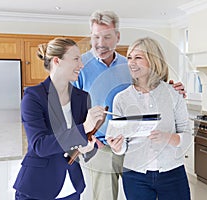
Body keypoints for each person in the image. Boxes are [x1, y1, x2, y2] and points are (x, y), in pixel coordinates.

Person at [72, 10, 186, 200]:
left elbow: (153, 88)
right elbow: (69, 110)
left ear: (117, 37)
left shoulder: (129, 64)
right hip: (101, 146)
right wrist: (88, 139)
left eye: (107, 36)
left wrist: (174, 87)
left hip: (135, 145)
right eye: (96, 37)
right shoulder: (80, 65)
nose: (101, 43)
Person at [13, 37, 105, 200]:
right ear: (57, 61)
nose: (81, 65)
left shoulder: (82, 97)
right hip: (36, 188)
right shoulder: (33, 97)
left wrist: (90, 148)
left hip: (72, 188)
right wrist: (83, 128)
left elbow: (87, 140)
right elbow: (40, 145)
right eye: (76, 59)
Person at [107, 37, 192, 200]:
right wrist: (117, 147)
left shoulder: (173, 93)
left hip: (172, 173)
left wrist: (168, 138)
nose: (131, 63)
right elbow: (122, 144)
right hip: (134, 174)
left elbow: (187, 137)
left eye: (138, 58)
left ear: (153, 60)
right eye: (129, 58)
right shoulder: (121, 99)